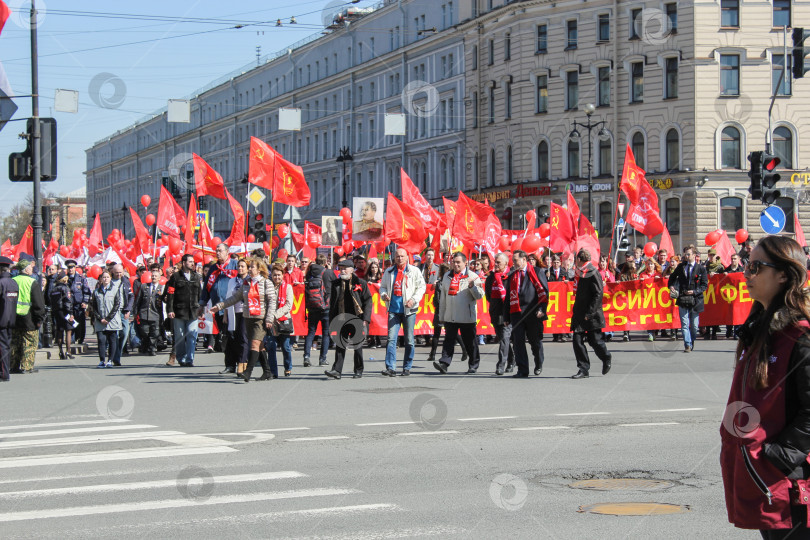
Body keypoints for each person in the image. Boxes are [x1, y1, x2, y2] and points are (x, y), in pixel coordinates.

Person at [719, 235, 810, 538]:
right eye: (747, 264)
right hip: (759, 475)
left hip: (787, 482)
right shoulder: (758, 328)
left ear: (784, 274)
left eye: (757, 266)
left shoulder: (800, 335)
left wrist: (779, 458)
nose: (747, 272)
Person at [212, 257, 276, 382]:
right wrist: (220, 306)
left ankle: (248, 372)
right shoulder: (246, 282)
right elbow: (235, 298)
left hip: (260, 318)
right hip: (248, 317)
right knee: (260, 345)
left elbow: (272, 302)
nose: (250, 269)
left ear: (259, 270)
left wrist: (269, 318)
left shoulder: (266, 282)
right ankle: (267, 372)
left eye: (252, 267)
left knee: (254, 344)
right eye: (250, 266)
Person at [434, 252, 484, 375]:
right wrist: (442, 315)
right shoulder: (447, 276)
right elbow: (443, 297)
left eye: (458, 262)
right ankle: (444, 363)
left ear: (465, 263)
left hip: (467, 316)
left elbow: (479, 296)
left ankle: (473, 364)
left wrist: (472, 286)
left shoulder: (472, 276)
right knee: (448, 341)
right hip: (451, 315)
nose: (455, 264)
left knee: (470, 342)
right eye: (454, 262)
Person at [379, 248, 426, 377]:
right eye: (397, 256)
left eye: (402, 256)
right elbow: (382, 286)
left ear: (407, 257)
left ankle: (407, 367)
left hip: (409, 310)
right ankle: (390, 367)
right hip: (393, 310)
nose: (400, 258)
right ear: (394, 257)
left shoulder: (414, 271)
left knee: (409, 340)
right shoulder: (389, 272)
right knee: (391, 339)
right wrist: (383, 294)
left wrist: (414, 300)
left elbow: (422, 287)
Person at [324, 259, 372, 379]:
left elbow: (368, 301)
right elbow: (333, 304)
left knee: (357, 346)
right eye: (341, 268)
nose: (343, 270)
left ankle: (358, 370)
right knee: (340, 344)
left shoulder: (360, 283)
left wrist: (366, 318)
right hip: (341, 317)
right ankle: (337, 370)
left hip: (357, 318)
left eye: (345, 268)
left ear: (352, 270)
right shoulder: (336, 283)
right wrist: (332, 321)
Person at [506, 249, 550, 378]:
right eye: (513, 260)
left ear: (524, 259)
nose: (513, 263)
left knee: (534, 341)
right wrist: (506, 315)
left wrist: (542, 309)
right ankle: (522, 369)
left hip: (533, 313)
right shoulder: (512, 275)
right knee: (518, 342)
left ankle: (538, 362)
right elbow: (508, 297)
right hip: (516, 313)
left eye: (516, 260)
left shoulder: (537, 272)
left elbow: (544, 292)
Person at [569, 249, 612, 379]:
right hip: (579, 312)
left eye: (576, 259)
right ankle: (583, 368)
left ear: (579, 260)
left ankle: (606, 357)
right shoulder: (580, 272)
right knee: (577, 340)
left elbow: (598, 294)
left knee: (595, 341)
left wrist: (590, 312)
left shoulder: (593, 273)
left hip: (591, 313)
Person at [199, 243, 238, 363]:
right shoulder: (213, 267)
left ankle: (239, 361)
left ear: (227, 252)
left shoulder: (235, 265)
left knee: (233, 336)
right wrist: (202, 304)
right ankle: (230, 364)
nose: (217, 253)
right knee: (224, 336)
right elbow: (207, 287)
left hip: (233, 307)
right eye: (216, 251)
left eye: (220, 250)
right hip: (218, 308)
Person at [668, 245, 708, 353]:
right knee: (684, 323)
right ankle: (687, 344)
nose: (686, 256)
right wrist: (671, 286)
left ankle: (692, 340)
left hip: (695, 299)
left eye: (688, 254)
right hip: (683, 297)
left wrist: (694, 291)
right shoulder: (681, 267)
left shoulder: (701, 269)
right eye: (685, 254)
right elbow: (672, 277)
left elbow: (704, 285)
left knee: (694, 326)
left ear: (694, 255)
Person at [165, 254, 202, 367]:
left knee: (192, 334)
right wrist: (170, 309)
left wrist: (201, 308)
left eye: (193, 261)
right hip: (179, 311)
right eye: (190, 261)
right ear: (184, 263)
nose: (192, 263)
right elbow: (170, 294)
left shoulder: (196, 276)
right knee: (180, 335)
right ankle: (181, 358)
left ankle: (190, 359)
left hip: (193, 311)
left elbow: (200, 294)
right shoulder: (175, 277)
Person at [10, 258, 45, 374]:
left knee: (15, 343)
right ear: (26, 269)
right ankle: (27, 366)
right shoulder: (32, 283)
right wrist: (39, 319)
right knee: (29, 343)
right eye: (30, 267)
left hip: (13, 318)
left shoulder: (13, 281)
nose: (32, 268)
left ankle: (13, 366)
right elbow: (38, 303)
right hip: (29, 318)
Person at [485, 252, 515, 375]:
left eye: (499, 262)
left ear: (506, 264)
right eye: (495, 262)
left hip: (507, 312)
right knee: (503, 338)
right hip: (495, 311)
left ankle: (500, 365)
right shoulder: (490, 277)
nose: (496, 264)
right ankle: (512, 360)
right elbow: (488, 295)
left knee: (504, 338)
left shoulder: (511, 276)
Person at [303, 254, 335, 366]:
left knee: (311, 331)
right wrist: (330, 269)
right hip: (326, 306)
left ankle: (306, 357)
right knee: (325, 333)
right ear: (325, 262)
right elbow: (336, 284)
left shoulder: (310, 272)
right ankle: (322, 359)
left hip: (312, 306)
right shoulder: (328, 272)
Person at [91, 269, 123, 368]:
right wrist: (100, 318)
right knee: (101, 340)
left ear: (110, 278)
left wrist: (108, 318)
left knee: (112, 340)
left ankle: (110, 360)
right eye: (104, 277)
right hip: (100, 320)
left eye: (107, 277)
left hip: (112, 320)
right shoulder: (96, 291)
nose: (105, 279)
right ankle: (101, 360)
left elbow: (117, 304)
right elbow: (94, 306)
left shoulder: (115, 289)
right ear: (101, 279)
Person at [267, 264, 294, 377]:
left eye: (279, 275)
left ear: (283, 275)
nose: (276, 277)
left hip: (283, 320)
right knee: (271, 346)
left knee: (285, 347)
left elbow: (289, 305)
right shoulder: (268, 287)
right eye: (274, 275)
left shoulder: (288, 287)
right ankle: (273, 371)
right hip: (271, 322)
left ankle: (288, 367)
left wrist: (275, 315)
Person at [223, 258, 249, 376]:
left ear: (247, 268)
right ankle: (232, 363)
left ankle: (242, 363)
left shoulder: (250, 280)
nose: (240, 268)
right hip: (234, 312)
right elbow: (228, 298)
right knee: (234, 338)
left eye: (243, 266)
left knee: (243, 337)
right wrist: (225, 314)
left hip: (247, 312)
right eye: (239, 266)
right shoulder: (232, 281)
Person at [133, 264, 163, 356]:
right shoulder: (144, 286)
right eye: (152, 276)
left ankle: (152, 348)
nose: (154, 277)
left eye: (155, 276)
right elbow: (138, 300)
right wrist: (135, 312)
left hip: (156, 314)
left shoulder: (161, 288)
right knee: (144, 331)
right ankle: (145, 345)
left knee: (155, 333)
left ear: (159, 278)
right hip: (144, 313)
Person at [427, 263, 451, 365]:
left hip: (440, 309)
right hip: (449, 308)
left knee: (437, 333)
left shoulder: (440, 283)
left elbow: (436, 298)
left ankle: (433, 354)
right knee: (450, 331)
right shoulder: (450, 282)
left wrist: (436, 305)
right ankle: (464, 350)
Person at [110, 264, 134, 364]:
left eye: (120, 272)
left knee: (124, 333)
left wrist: (128, 309)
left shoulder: (125, 281)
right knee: (114, 335)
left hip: (123, 311)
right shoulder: (109, 282)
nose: (119, 275)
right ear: (113, 272)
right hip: (113, 312)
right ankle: (115, 357)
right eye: (117, 273)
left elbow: (131, 296)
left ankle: (117, 352)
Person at [49, 271, 74, 360]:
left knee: (59, 330)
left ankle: (60, 351)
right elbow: (68, 301)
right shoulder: (65, 288)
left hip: (57, 311)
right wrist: (70, 313)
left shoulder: (53, 289)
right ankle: (68, 351)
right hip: (65, 311)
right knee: (68, 330)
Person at [65, 259, 91, 345]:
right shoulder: (65, 278)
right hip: (69, 305)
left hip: (79, 304)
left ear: (75, 267)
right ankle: (72, 338)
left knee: (80, 323)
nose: (70, 269)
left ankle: (80, 338)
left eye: (72, 267)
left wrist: (85, 302)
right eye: (69, 268)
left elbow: (86, 291)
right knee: (70, 322)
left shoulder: (81, 278)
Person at [0, 256, 17, 382]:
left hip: (1, 319)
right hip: (11, 319)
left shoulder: (1, 283)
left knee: (2, 347)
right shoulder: (13, 283)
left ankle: (4, 373)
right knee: (6, 346)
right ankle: (5, 371)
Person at [547, 255, 569, 343]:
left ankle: (563, 335)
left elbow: (568, 282)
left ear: (560, 263)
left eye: (557, 262)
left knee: (563, 316)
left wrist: (566, 282)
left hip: (562, 297)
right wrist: (547, 277)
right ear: (552, 263)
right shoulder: (548, 272)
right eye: (554, 262)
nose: (556, 264)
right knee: (554, 315)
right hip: (553, 298)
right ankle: (555, 335)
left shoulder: (564, 272)